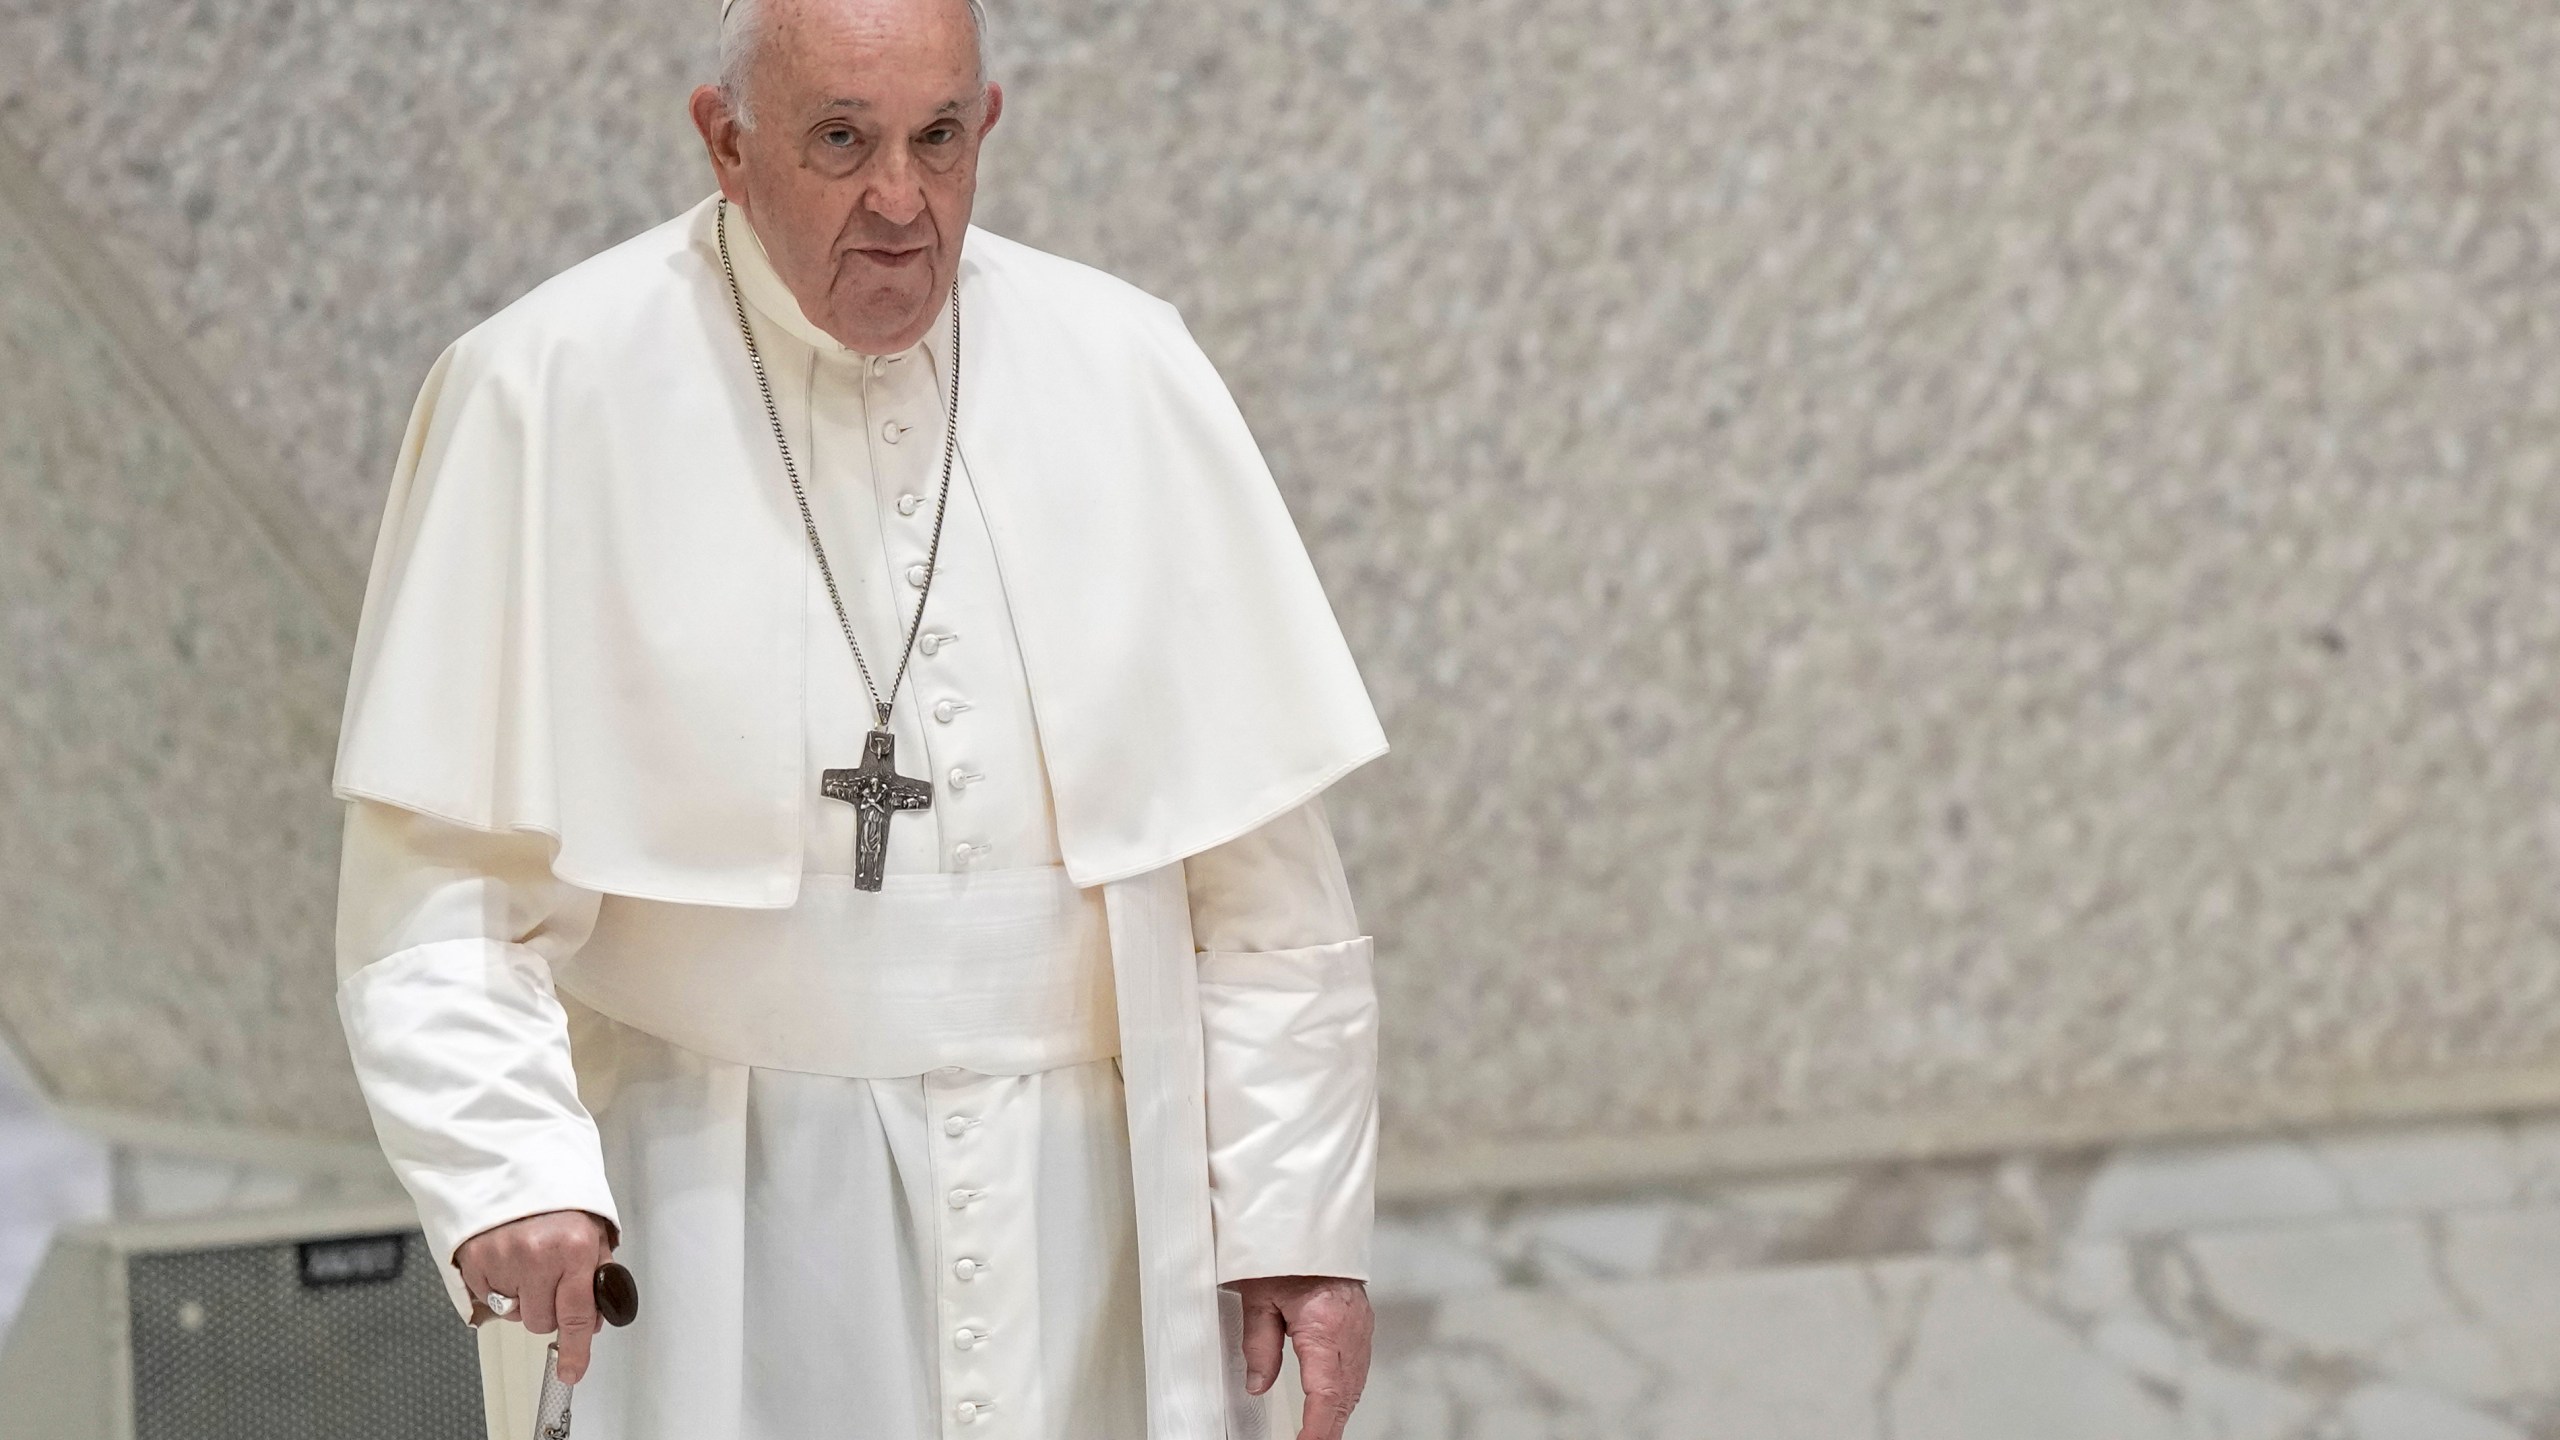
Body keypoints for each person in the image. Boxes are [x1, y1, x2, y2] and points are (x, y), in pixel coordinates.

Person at [328, 0, 1388, 1436]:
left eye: (938, 139)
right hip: (718, 1206)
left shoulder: (1125, 369)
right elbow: (437, 890)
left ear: (987, 124)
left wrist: (1295, 1216)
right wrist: (512, 1171)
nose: (902, 200)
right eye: (843, 141)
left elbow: (1260, 878)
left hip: (1092, 1215)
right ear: (725, 141)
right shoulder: (545, 386)